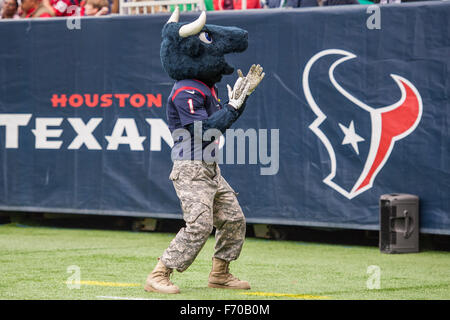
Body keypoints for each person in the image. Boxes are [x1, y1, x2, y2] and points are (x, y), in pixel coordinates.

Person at [144, 8, 264, 294]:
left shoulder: (204, 87)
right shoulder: (186, 89)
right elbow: (203, 130)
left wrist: (239, 100)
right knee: (199, 225)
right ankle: (159, 274)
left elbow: (218, 123)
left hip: (210, 166)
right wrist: (234, 107)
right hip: (190, 166)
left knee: (234, 220)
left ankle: (220, 273)